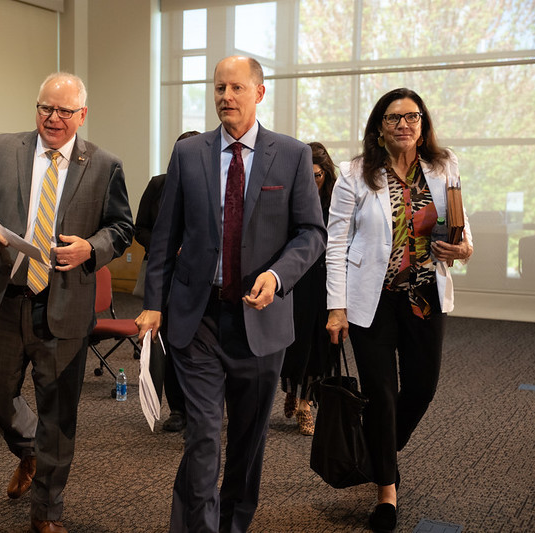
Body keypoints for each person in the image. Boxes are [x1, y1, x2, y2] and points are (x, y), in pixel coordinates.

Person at [136, 56, 326, 533]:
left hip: (260, 321)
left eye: (237, 87)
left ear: (259, 94)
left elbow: (310, 234)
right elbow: (164, 235)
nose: (226, 96)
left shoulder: (293, 155)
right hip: (197, 317)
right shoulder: (189, 154)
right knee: (202, 434)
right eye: (219, 87)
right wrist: (153, 302)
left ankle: (234, 525)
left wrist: (279, 276)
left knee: (247, 439)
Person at [0, 72, 134, 533]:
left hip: (63, 305)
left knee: (59, 415)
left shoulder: (104, 164)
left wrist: (91, 248)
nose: (54, 118)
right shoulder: (2, 149)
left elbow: (121, 229)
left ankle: (47, 512)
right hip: (5, 299)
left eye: (65, 111)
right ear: (35, 108)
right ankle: (28, 451)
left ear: (83, 115)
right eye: (46, 108)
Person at [325, 88, 473, 533]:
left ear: (423, 124)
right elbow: (335, 244)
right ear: (379, 127)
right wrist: (337, 307)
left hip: (426, 294)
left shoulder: (444, 166)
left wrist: (464, 249)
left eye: (412, 116)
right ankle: (386, 492)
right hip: (373, 298)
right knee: (382, 393)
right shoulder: (355, 173)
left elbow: (463, 229)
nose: (404, 124)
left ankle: (378, 454)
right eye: (393, 118)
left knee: (422, 389)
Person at [135, 130, 200, 433]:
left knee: (200, 344)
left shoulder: (212, 187)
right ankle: (177, 410)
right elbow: (141, 229)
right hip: (166, 276)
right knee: (172, 343)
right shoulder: (158, 185)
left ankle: (201, 406)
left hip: (200, 279)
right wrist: (167, 245)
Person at [279, 141, 337, 436]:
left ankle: (305, 403)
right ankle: (293, 389)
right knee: (296, 342)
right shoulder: (290, 200)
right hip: (297, 282)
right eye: (307, 175)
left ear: (326, 174)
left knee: (321, 346)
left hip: (328, 284)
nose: (312, 181)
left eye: (317, 175)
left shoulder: (337, 203)